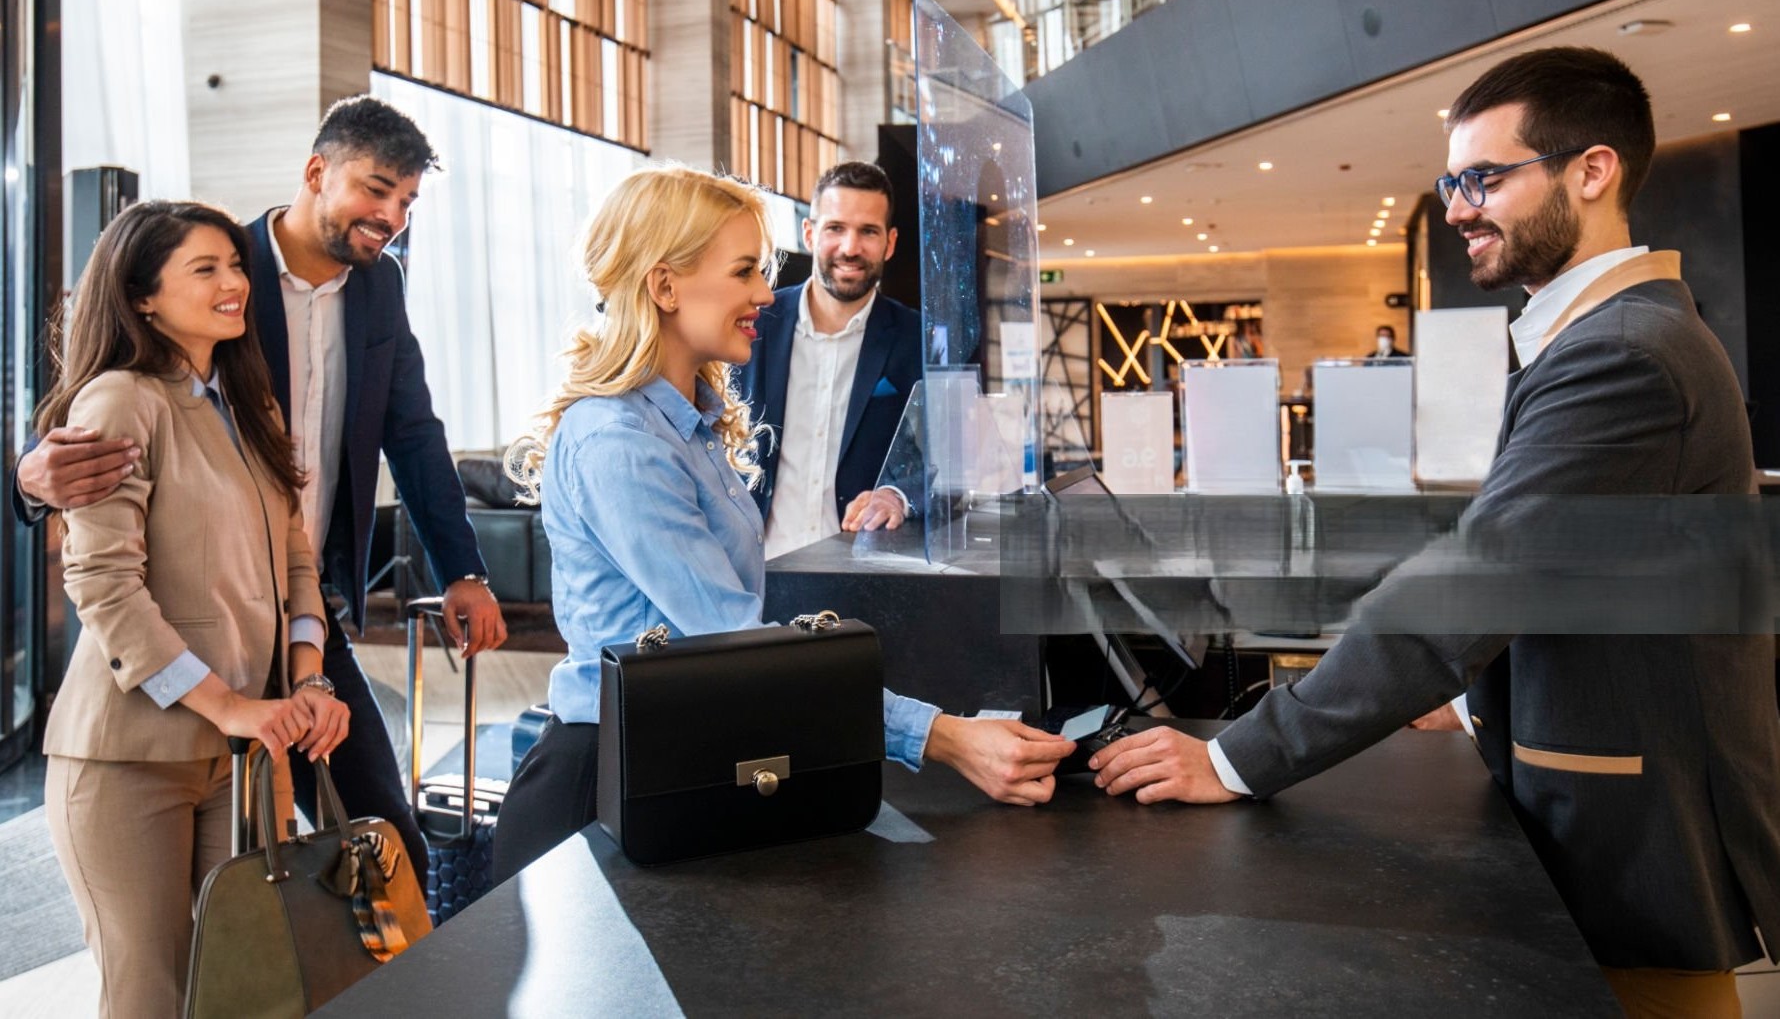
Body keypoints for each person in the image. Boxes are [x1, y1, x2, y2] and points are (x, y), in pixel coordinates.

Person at [1090, 48, 1780, 1016]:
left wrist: (1233, 756)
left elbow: (1474, 584)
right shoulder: (1606, 337)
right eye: (1451, 181)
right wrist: (1462, 704)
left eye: (1484, 177)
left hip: (1635, 836)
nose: (1457, 207)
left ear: (1591, 172)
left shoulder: (1624, 357)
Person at [491, 165, 1073, 879]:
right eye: (743, 272)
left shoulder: (687, 425)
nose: (767, 294)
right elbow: (736, 644)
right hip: (600, 788)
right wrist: (946, 738)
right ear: (664, 286)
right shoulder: (620, 441)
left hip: (670, 766)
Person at [17, 95, 506, 873]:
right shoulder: (220, 268)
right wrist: (27, 474)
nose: (392, 215)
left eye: (407, 201)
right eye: (376, 189)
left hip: (307, 610)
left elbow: (413, 433)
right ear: (317, 172)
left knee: (380, 833)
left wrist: (464, 570)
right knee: (233, 882)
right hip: (197, 619)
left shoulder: (381, 286)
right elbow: (105, 387)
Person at [37, 201, 352, 1018]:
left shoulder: (250, 404)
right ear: (143, 295)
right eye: (204, 268)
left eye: (236, 264)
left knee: (246, 990)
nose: (233, 283)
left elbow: (296, 561)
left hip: (245, 755)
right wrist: (233, 705)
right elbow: (104, 585)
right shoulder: (119, 400)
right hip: (129, 758)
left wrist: (308, 682)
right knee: (151, 994)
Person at [734, 160, 922, 557]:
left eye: (867, 232)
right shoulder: (751, 326)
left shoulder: (917, 340)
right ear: (809, 234)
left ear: (889, 243)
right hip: (756, 572)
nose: (850, 248)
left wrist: (896, 495)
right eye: (835, 228)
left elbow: (943, 456)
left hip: (859, 575)